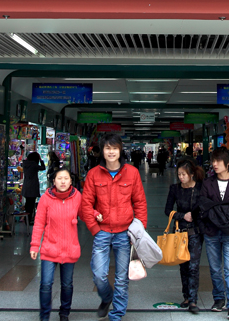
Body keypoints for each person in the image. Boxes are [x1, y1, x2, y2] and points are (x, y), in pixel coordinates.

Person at [81, 135, 147, 321]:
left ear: (120, 150)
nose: (111, 152)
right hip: (102, 232)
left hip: (124, 233)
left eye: (115, 148)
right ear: (102, 151)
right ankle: (107, 297)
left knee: (121, 278)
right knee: (99, 275)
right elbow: (86, 204)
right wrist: (94, 228)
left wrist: (139, 230)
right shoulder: (93, 174)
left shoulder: (132, 173)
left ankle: (117, 314)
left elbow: (140, 202)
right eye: (107, 148)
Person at [198, 147, 229, 319]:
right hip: (211, 233)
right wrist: (205, 229)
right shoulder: (207, 183)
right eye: (213, 161)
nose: (215, 164)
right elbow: (202, 207)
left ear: (227, 164)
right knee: (214, 269)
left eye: (218, 161)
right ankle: (219, 299)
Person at [30, 168, 82, 321]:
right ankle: (44, 315)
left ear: (71, 181)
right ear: (54, 181)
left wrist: (96, 214)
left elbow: (86, 213)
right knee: (46, 284)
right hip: (49, 248)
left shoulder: (77, 197)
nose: (63, 181)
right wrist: (35, 245)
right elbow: (39, 223)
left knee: (67, 285)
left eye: (66, 178)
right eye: (59, 178)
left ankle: (64, 313)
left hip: (70, 248)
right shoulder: (46, 198)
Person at [164, 158, 205, 314]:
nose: (181, 177)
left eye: (184, 174)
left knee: (193, 266)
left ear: (191, 174)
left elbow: (205, 207)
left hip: (196, 232)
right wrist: (182, 216)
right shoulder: (175, 189)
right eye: (179, 174)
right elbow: (167, 210)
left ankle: (193, 300)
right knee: (183, 266)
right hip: (180, 232)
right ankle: (186, 296)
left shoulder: (201, 188)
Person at [22, 152, 46, 222]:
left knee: (27, 203)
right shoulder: (33, 165)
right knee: (31, 204)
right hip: (32, 186)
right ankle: (29, 219)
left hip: (26, 186)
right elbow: (43, 167)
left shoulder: (25, 164)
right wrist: (41, 160)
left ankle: (26, 219)